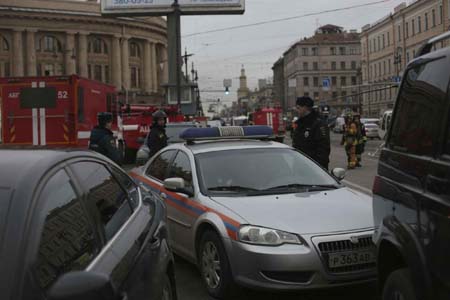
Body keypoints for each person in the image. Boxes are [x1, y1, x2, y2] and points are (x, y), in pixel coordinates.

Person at [292, 96, 331, 170]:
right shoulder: (300, 123)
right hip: (300, 164)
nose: (297, 110)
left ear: (305, 108)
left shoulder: (318, 123)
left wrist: (319, 168)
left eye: (298, 108)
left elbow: (323, 148)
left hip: (314, 167)